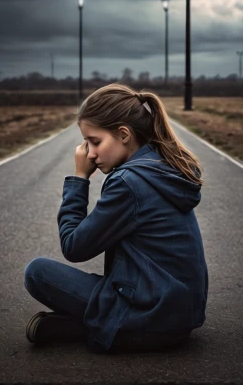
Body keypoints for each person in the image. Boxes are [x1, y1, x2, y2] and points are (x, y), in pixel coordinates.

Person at [24, 83, 208, 353]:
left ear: (124, 134)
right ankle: (89, 325)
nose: (90, 153)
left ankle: (94, 326)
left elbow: (74, 246)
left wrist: (79, 178)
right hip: (182, 312)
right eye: (86, 143)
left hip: (152, 313)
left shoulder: (129, 182)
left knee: (37, 273)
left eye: (95, 141)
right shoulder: (164, 165)